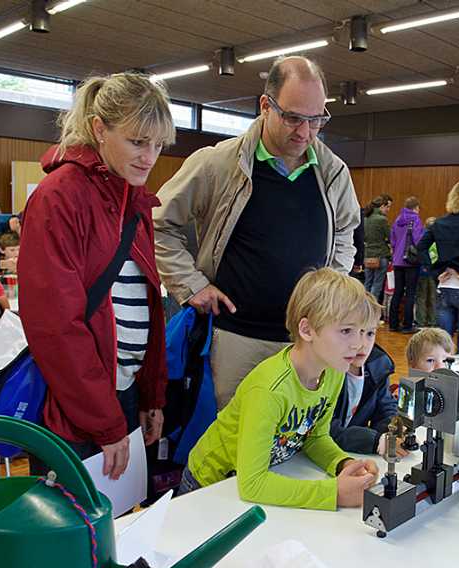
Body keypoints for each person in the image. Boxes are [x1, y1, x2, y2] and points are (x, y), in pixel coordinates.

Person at [153, 56, 360, 409]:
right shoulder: (217, 163)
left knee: (293, 444)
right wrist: (193, 285)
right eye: (293, 117)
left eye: (316, 120)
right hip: (236, 340)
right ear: (266, 106)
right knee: (231, 444)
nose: (304, 132)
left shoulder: (333, 172)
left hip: (303, 342)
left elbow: (345, 233)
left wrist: (330, 289)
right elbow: (158, 222)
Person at [19, 72, 173, 480]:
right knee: (74, 532)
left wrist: (151, 395)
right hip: (78, 406)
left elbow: (148, 304)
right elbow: (56, 325)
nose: (149, 157)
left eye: (157, 145)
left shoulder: (135, 201)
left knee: (117, 530)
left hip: (123, 395)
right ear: (99, 129)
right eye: (138, 142)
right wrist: (104, 423)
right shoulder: (59, 195)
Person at [178, 268, 380, 510]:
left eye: (362, 331)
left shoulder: (334, 372)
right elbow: (252, 484)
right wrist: (333, 493)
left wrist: (342, 463)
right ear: (306, 330)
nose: (358, 344)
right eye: (346, 331)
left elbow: (314, 437)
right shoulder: (270, 390)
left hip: (253, 484)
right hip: (209, 485)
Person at [417, 180, 459, 354]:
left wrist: (435, 272)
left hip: (444, 286)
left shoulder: (439, 223)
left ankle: (442, 379)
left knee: (443, 344)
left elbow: (421, 247)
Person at [330, 307, 404, 457]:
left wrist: (391, 432)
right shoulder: (326, 371)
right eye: (349, 332)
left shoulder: (379, 365)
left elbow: (386, 408)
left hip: (357, 455)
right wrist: (374, 441)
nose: (362, 344)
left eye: (370, 333)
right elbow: (326, 429)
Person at [389, 196, 424, 333]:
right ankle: (407, 325)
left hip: (397, 261)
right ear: (416, 208)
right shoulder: (416, 220)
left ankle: (393, 324)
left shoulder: (397, 220)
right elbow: (418, 240)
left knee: (397, 292)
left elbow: (392, 241)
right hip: (410, 261)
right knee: (410, 293)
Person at [362, 195, 392, 303]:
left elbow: (364, 237)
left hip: (368, 255)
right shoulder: (382, 219)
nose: (388, 210)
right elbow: (390, 237)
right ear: (382, 206)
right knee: (377, 285)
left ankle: (364, 309)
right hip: (380, 256)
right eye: (387, 207)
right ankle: (373, 310)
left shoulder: (365, 218)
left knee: (367, 283)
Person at [414, 216, 439, 328]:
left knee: (421, 296)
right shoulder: (440, 237)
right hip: (435, 271)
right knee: (433, 297)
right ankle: (432, 321)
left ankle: (420, 321)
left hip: (422, 270)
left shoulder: (421, 235)